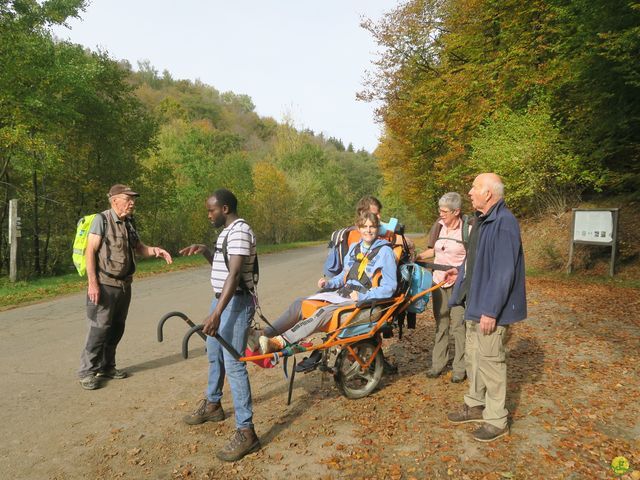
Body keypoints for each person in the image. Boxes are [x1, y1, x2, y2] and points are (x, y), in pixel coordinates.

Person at [180, 189, 260, 462]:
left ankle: (247, 432)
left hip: (235, 303)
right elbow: (225, 266)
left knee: (234, 363)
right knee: (214, 354)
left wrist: (217, 314)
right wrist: (205, 251)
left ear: (225, 209)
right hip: (222, 302)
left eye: (211, 210)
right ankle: (213, 404)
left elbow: (236, 275)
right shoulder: (227, 232)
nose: (209, 214)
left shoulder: (239, 231)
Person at [445, 173, 527, 442]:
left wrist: (491, 310)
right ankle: (475, 404)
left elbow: (504, 272)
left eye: (475, 188)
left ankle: (496, 419)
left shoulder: (504, 223)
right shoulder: (482, 221)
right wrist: (458, 281)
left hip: (489, 308)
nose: (469, 192)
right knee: (474, 358)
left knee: (491, 363)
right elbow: (474, 263)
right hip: (474, 303)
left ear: (489, 194)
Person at [258, 212, 397, 364]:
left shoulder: (385, 252)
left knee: (322, 311)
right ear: (358, 228)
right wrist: (328, 283)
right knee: (300, 303)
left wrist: (363, 296)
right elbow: (344, 275)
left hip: (363, 300)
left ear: (378, 229)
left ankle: (280, 342)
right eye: (365, 227)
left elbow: (390, 287)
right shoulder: (354, 248)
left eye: (372, 227)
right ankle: (265, 334)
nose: (368, 230)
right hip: (342, 293)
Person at [78, 184, 173, 390]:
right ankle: (87, 372)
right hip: (104, 285)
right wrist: (92, 284)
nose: (132, 202)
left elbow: (139, 248)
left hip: (123, 285)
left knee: (117, 328)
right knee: (99, 329)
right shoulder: (100, 220)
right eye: (128, 198)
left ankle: (107, 367)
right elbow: (89, 253)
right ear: (114, 201)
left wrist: (155, 250)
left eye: (133, 199)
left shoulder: (129, 222)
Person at [416, 192, 470, 383]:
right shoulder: (438, 226)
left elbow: (473, 257)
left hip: (458, 285)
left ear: (457, 211)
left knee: (458, 325)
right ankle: (438, 364)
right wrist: (419, 257)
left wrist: (458, 271)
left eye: (445, 211)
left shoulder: (468, 229)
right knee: (441, 323)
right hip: (438, 281)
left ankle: (460, 368)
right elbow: (435, 250)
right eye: (439, 210)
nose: (441, 214)